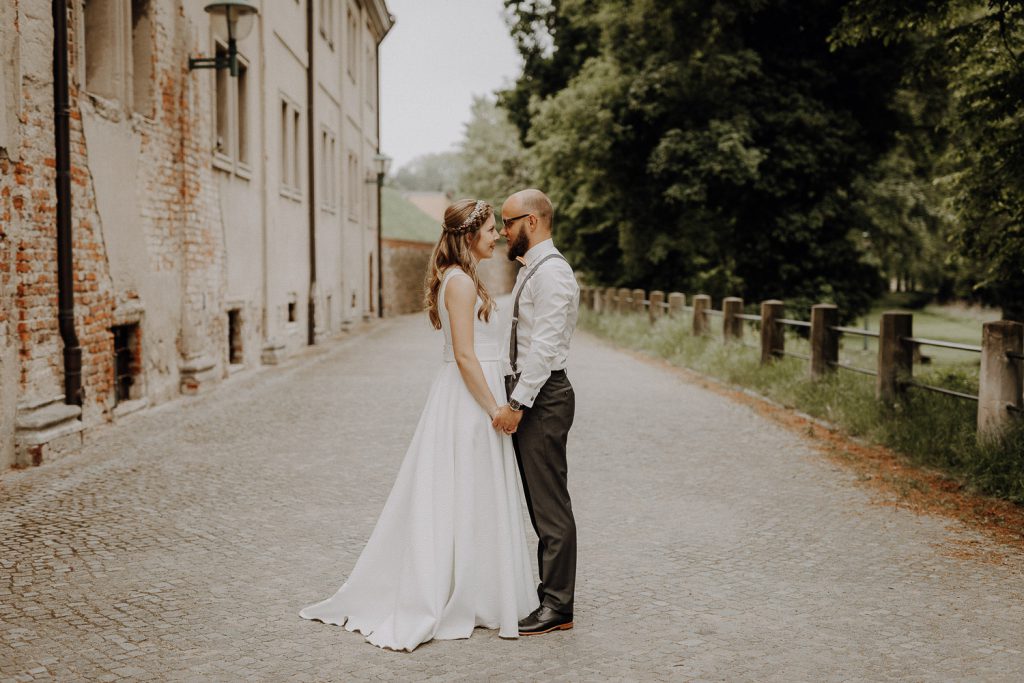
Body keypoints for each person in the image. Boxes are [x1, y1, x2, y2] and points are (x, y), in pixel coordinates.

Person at [299, 199, 538, 652]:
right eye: (489, 229)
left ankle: (478, 587)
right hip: (470, 398)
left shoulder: (460, 278)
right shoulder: (462, 283)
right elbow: (466, 356)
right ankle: (464, 591)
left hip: (467, 392)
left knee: (470, 492)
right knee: (466, 490)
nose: (496, 236)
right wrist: (494, 409)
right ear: (469, 236)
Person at [492, 189, 581, 636]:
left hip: (542, 397)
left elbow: (544, 348)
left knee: (550, 505)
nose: (503, 231)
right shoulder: (534, 269)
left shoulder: (554, 275)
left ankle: (558, 606)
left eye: (507, 223)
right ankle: (551, 597)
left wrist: (516, 403)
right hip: (533, 394)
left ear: (531, 221)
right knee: (538, 501)